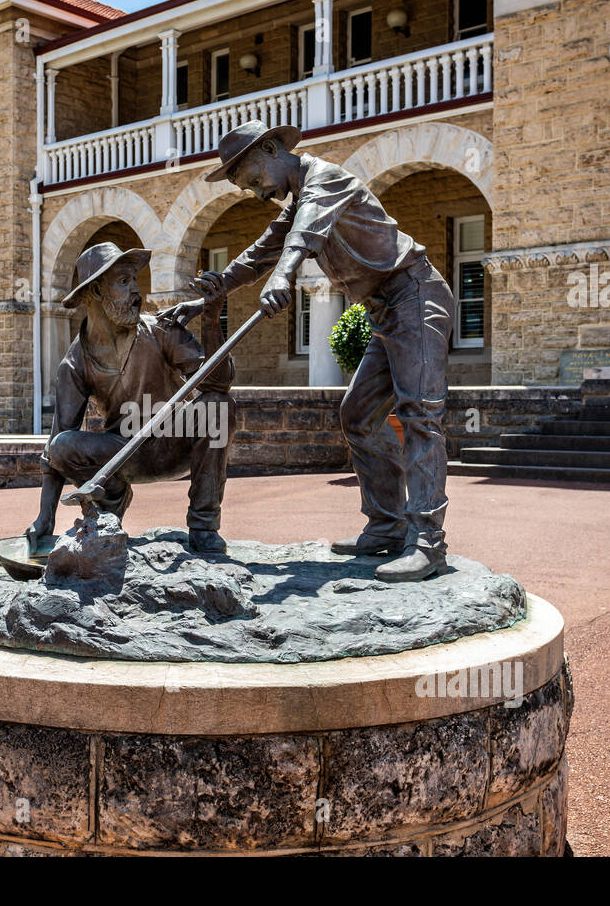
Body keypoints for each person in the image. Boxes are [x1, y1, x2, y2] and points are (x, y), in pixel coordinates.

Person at [184, 120, 454, 582]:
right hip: (386, 312)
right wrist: (213, 290)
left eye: (253, 181)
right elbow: (263, 250)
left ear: (271, 149)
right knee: (358, 415)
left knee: (420, 414)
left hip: (416, 296)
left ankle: (428, 543)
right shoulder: (298, 202)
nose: (257, 193)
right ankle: (387, 525)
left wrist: (285, 275)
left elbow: (302, 235)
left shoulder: (326, 180)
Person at [26, 242, 237, 555]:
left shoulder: (161, 329)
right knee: (62, 447)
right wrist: (46, 517)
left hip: (172, 441)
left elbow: (220, 383)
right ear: (96, 292)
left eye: (134, 280)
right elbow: (56, 446)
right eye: (124, 282)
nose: (137, 291)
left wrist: (210, 318)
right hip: (122, 455)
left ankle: (204, 524)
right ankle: (110, 502)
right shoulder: (74, 363)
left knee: (219, 407)